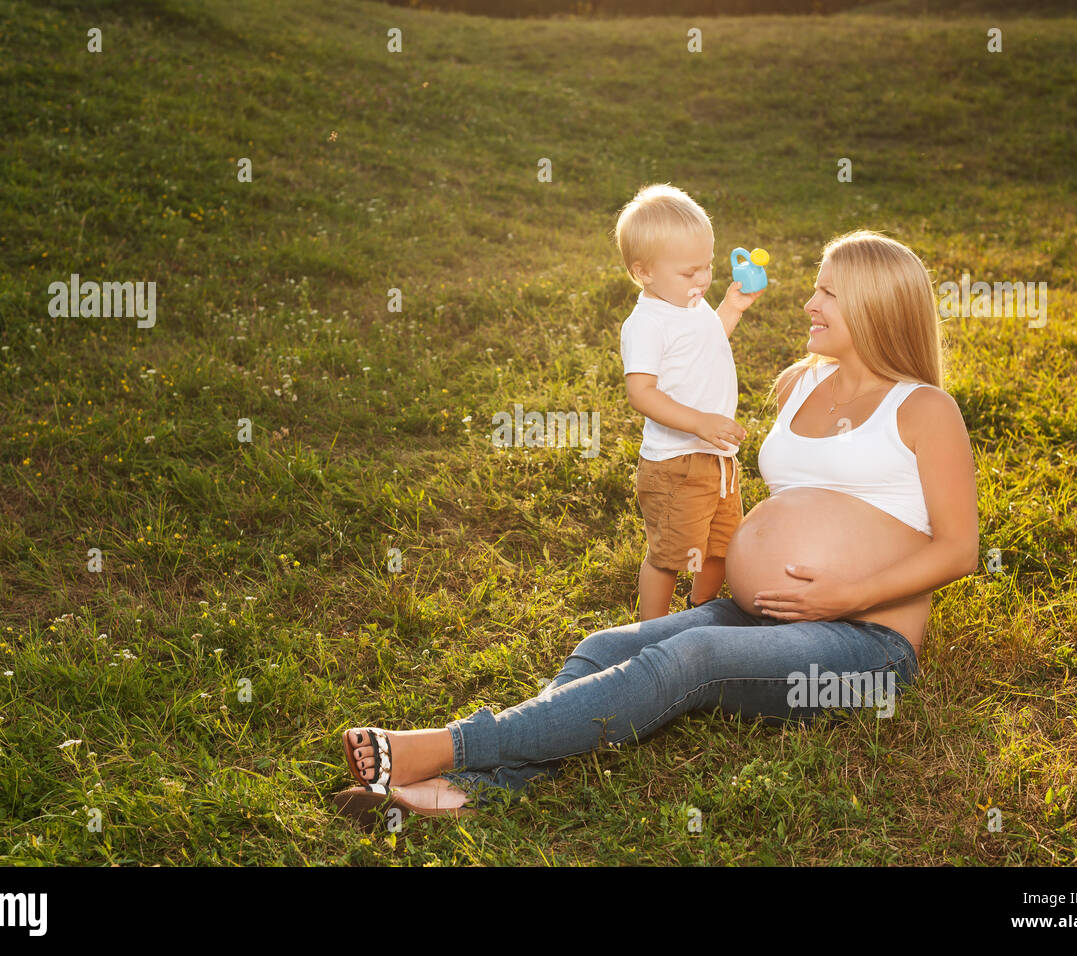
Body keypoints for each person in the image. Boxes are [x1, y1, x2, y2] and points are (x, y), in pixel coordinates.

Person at [333, 228, 979, 823]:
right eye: (816, 286)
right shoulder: (797, 386)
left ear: (874, 305)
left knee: (689, 659)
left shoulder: (925, 408)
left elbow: (960, 550)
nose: (810, 302)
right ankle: (484, 791)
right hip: (768, 615)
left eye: (828, 292)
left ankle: (446, 750)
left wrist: (846, 595)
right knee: (605, 646)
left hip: (867, 647)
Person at [615, 183, 764, 619]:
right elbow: (640, 393)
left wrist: (730, 309)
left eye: (708, 267)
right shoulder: (646, 324)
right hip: (677, 463)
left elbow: (706, 346)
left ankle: (700, 608)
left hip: (717, 458)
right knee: (670, 555)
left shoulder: (692, 307)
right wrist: (699, 422)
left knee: (721, 546)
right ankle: (652, 630)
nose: (702, 280)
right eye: (688, 272)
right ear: (644, 272)